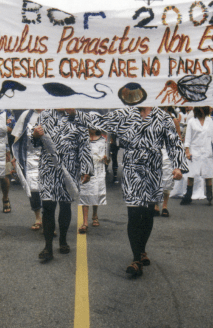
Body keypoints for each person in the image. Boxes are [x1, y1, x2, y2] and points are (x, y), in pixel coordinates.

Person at [68, 103, 187, 277]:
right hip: (132, 170)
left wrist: (178, 166)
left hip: (153, 170)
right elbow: (101, 121)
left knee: (147, 213)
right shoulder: (126, 114)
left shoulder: (163, 117)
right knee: (133, 213)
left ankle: (142, 249)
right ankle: (136, 258)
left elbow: (174, 142)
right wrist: (75, 113)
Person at [32, 109, 92, 262]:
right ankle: (48, 247)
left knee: (65, 205)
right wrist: (35, 135)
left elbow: (85, 145)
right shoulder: (44, 115)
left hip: (70, 168)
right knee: (48, 205)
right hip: (48, 166)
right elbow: (34, 142)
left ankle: (63, 240)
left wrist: (87, 169)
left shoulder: (78, 116)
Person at [180, 106, 213, 206]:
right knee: (191, 174)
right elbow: (188, 138)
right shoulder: (191, 122)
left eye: (203, 109)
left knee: (208, 174)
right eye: (199, 109)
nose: (201, 111)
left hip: (206, 151)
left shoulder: (210, 121)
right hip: (195, 151)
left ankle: (209, 195)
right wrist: (187, 151)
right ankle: (188, 195)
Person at [11, 109, 43, 230]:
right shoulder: (26, 115)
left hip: (47, 157)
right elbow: (17, 135)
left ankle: (48, 219)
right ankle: (38, 218)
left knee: (48, 188)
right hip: (29, 157)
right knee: (33, 189)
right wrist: (15, 156)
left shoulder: (52, 112)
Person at [78, 128, 107, 234]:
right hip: (85, 168)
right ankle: (85, 222)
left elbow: (108, 159)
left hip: (98, 169)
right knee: (85, 193)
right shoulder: (82, 139)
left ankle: (95, 214)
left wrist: (106, 159)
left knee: (96, 192)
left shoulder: (103, 140)